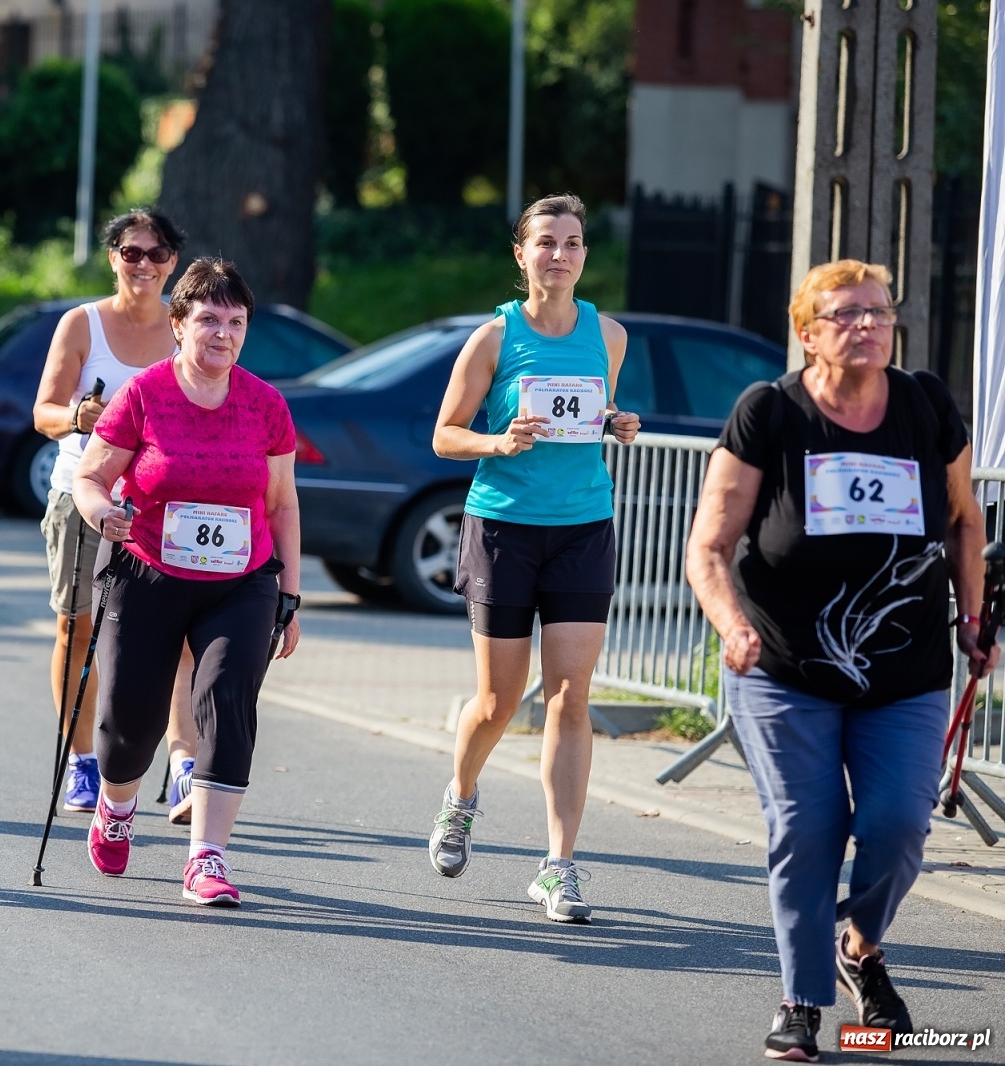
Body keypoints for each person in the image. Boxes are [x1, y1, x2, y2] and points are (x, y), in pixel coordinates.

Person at [685, 259, 996, 1062]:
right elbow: (710, 546)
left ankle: (859, 942)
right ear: (807, 331)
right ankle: (802, 1000)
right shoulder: (770, 414)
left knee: (897, 825)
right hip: (782, 665)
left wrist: (973, 617)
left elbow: (965, 522)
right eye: (847, 314)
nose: (867, 326)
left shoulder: (925, 405)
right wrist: (730, 625)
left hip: (908, 667)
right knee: (807, 826)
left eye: (879, 313)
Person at [426, 194, 640, 922]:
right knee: (496, 702)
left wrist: (615, 422)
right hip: (504, 528)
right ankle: (461, 797)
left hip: (583, 524)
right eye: (545, 242)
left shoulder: (609, 335)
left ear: (585, 255)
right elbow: (445, 435)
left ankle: (559, 866)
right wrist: (498, 441)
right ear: (520, 255)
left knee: (570, 696)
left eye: (573, 242)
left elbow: (590, 414)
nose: (560, 254)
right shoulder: (494, 337)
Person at [72, 258, 301, 907]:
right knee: (129, 721)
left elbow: (282, 503)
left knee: (229, 701)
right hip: (146, 572)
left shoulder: (265, 404)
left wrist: (290, 595)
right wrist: (102, 513)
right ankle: (116, 804)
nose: (222, 333)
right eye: (207, 319)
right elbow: (91, 478)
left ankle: (207, 856)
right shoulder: (144, 394)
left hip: (242, 579)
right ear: (179, 325)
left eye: (235, 321)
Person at [32, 209, 199, 820]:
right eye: (132, 253)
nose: (145, 265)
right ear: (113, 258)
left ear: (173, 263)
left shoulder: (184, 329)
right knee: (79, 628)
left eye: (158, 255)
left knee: (179, 639)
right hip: (84, 494)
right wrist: (81, 419)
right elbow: (43, 412)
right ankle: (81, 760)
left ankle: (183, 765)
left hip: (163, 501)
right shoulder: (83, 325)